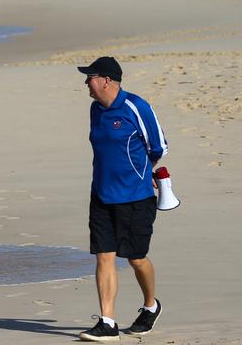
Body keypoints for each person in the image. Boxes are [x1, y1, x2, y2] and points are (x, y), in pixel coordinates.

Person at [77, 57, 166, 341]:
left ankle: (150, 306)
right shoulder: (95, 110)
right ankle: (108, 322)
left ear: (107, 80)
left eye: (89, 77)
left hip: (135, 197)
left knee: (136, 258)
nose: (86, 83)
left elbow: (158, 146)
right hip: (101, 195)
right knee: (104, 256)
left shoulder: (135, 107)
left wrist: (142, 173)